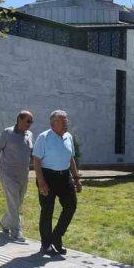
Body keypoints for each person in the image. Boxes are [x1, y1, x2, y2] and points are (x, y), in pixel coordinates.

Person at [32, 110, 82, 256]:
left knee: (71, 206)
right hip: (47, 176)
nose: (66, 124)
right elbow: (36, 161)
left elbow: (71, 158)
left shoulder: (68, 137)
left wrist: (76, 179)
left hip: (65, 176)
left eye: (67, 121)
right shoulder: (44, 137)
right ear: (53, 123)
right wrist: (41, 182)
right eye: (63, 121)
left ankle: (56, 237)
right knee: (47, 211)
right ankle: (46, 244)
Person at [0, 111, 34, 242]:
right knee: (14, 201)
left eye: (31, 122)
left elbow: (31, 153)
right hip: (8, 172)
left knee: (17, 202)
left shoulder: (30, 134)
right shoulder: (7, 132)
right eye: (28, 121)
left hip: (23, 173)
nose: (30, 124)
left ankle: (4, 223)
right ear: (19, 119)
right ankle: (16, 231)